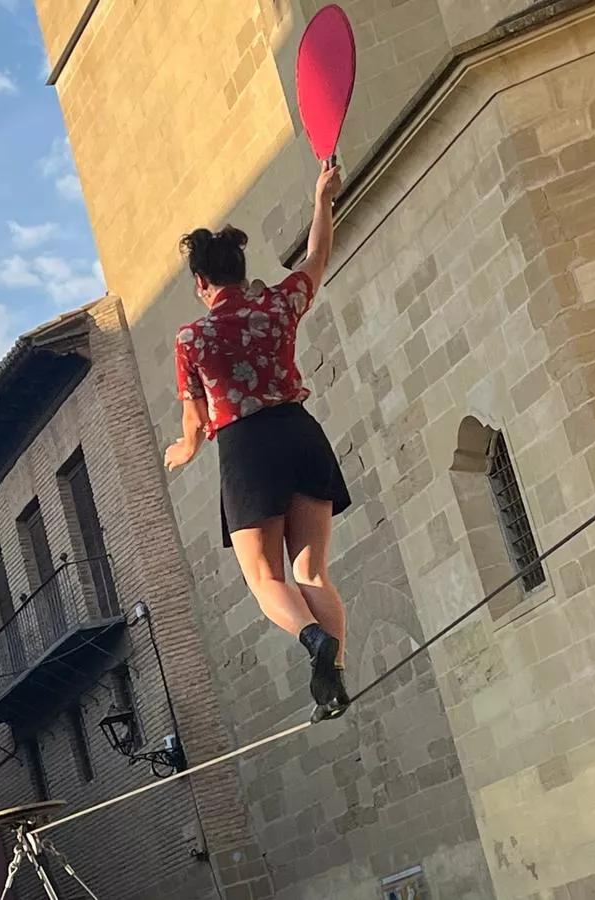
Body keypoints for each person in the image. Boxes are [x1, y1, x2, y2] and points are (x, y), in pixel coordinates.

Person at [165, 160, 351, 722]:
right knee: (312, 572)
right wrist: (321, 199)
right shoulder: (276, 305)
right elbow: (317, 258)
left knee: (265, 577)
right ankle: (335, 684)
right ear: (240, 271)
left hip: (247, 453)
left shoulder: (192, 338)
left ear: (201, 283)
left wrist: (184, 450)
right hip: (299, 433)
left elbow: (195, 420)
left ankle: (313, 640)